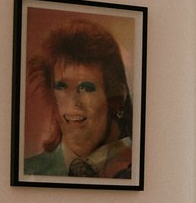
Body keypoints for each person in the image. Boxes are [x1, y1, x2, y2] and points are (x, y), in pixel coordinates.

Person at [23, 20, 133, 179]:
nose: (72, 102)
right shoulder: (28, 170)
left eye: (86, 88)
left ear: (116, 97)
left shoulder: (137, 168)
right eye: (61, 87)